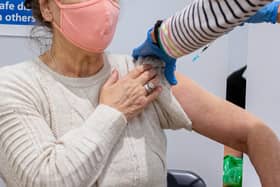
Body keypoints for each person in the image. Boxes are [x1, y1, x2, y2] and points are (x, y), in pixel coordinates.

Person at [0, 1, 278, 187]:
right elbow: (45, 180)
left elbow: (255, 134)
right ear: (47, 8)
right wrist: (112, 113)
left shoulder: (140, 72)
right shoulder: (15, 86)